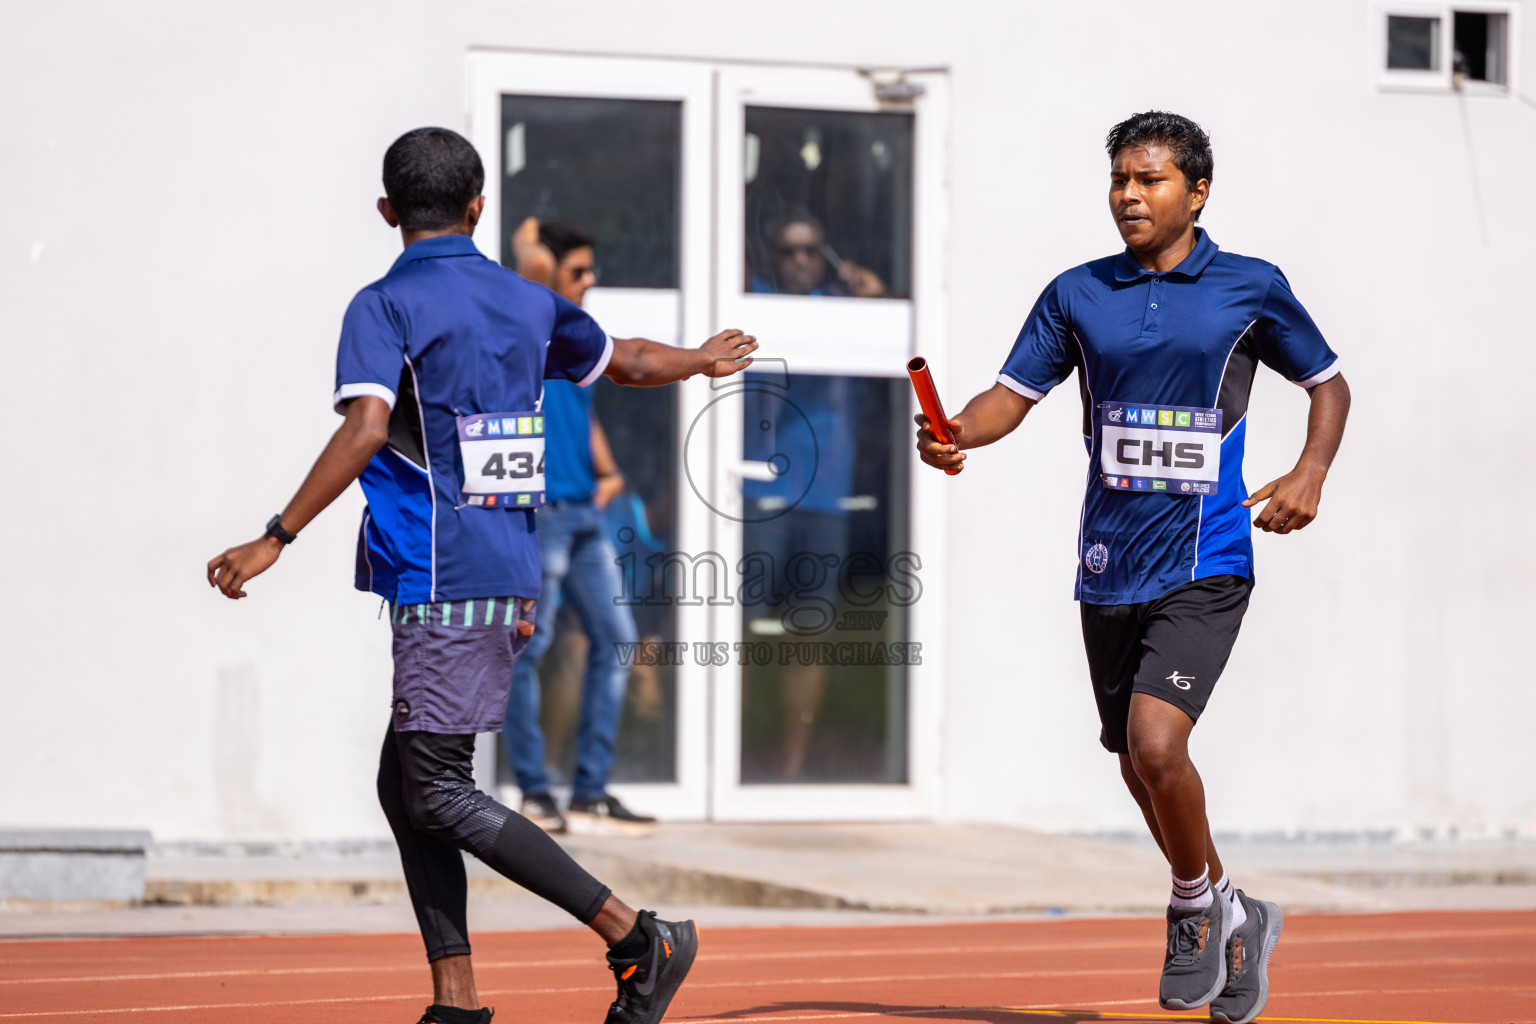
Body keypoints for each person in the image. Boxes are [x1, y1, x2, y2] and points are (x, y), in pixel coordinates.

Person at [206, 127, 756, 1024]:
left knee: (438, 788)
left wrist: (278, 535)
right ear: (478, 208)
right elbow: (627, 361)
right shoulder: (529, 302)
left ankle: (636, 936)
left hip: (442, 570)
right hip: (502, 565)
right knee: (407, 784)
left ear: (389, 212)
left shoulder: (384, 304)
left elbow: (364, 430)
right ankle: (456, 999)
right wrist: (700, 357)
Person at [915, 111, 1350, 1024]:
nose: (1129, 195)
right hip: (1109, 562)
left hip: (1208, 557)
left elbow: (1328, 382)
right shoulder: (1079, 293)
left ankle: (1194, 905)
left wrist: (1310, 472)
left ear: (1196, 192)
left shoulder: (1249, 287)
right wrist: (957, 432)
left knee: (1160, 745)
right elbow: (1012, 396)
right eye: (1119, 179)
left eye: (1149, 180)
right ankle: (1237, 909)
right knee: (1132, 764)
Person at [501, 217, 654, 836]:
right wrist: (525, 246)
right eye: (578, 270)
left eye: (592, 270)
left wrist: (607, 472)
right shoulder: (524, 324)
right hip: (542, 516)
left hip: (585, 514)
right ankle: (535, 790)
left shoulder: (577, 339)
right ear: (548, 272)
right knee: (528, 651)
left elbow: (585, 420)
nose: (592, 280)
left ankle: (590, 792)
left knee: (616, 642)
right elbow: (527, 267)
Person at [748, 209, 886, 297]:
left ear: (823, 256)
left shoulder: (835, 297)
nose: (801, 261)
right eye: (788, 252)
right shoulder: (754, 292)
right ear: (772, 256)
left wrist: (878, 295)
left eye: (811, 251)